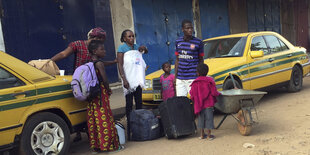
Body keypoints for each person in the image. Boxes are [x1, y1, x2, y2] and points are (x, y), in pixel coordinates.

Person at [51, 27, 116, 142]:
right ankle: (86, 133)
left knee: (90, 108)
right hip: (81, 82)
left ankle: (91, 133)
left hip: (93, 83)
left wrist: (113, 62)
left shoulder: (95, 52)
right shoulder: (78, 44)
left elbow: (99, 64)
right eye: (99, 41)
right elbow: (63, 54)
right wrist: (49, 62)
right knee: (87, 107)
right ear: (94, 37)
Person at [87, 40, 121, 152]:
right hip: (101, 93)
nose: (104, 51)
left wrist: (113, 61)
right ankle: (108, 145)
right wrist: (109, 89)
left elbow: (103, 63)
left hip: (92, 94)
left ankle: (97, 146)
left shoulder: (89, 62)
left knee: (94, 119)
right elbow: (105, 79)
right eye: (102, 49)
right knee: (105, 118)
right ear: (95, 51)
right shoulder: (99, 64)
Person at [117, 29, 148, 141]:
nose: (131, 38)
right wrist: (124, 79)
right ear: (124, 38)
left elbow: (145, 52)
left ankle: (140, 127)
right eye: (129, 36)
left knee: (139, 103)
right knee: (129, 104)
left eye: (133, 36)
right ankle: (129, 130)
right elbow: (120, 64)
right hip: (128, 80)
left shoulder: (136, 46)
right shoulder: (121, 48)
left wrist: (144, 48)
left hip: (137, 80)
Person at [189, 63, 221, 140]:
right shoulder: (210, 81)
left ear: (197, 72)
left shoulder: (195, 83)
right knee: (209, 119)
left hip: (199, 104)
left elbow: (192, 94)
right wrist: (219, 94)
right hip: (208, 104)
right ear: (207, 71)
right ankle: (209, 135)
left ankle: (202, 135)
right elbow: (214, 92)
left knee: (201, 118)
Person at [174, 19, 204, 97]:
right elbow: (177, 59)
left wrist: (201, 76)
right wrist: (175, 77)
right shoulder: (178, 42)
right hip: (180, 78)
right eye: (187, 28)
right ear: (182, 29)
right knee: (181, 102)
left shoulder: (198, 42)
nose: (190, 30)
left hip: (193, 77)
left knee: (195, 99)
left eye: (191, 28)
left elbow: (201, 60)